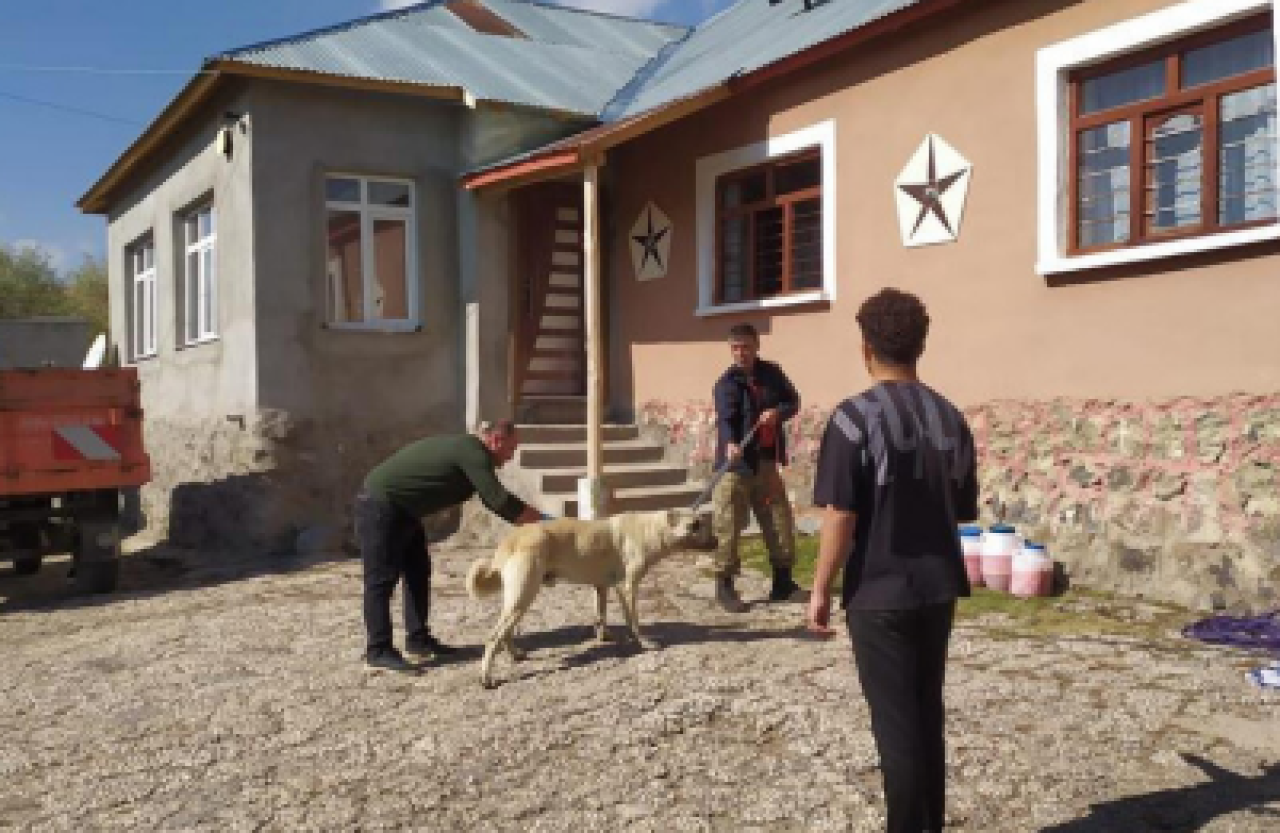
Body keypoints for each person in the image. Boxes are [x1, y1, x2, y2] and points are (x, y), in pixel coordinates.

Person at [806, 289, 979, 833]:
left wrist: (819, 589)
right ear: (920, 345)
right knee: (927, 715)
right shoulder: (951, 419)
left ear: (866, 348)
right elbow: (961, 509)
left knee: (896, 727)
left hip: (879, 593)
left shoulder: (852, 421)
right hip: (937, 587)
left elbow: (839, 515)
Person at [355, 419, 547, 673]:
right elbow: (497, 499)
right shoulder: (473, 452)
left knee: (417, 572)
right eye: (510, 450)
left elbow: (492, 500)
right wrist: (545, 522)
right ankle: (378, 650)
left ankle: (418, 639)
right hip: (381, 505)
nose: (510, 458)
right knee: (380, 580)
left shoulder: (469, 451)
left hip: (405, 510)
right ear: (495, 441)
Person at [710, 322, 801, 612]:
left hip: (765, 461)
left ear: (756, 346)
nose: (741, 353)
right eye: (735, 348)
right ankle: (725, 585)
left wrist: (778, 413)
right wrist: (730, 443)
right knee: (728, 524)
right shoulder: (726, 384)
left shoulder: (772, 373)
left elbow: (793, 401)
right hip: (735, 466)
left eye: (746, 346)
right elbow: (726, 419)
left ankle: (783, 582)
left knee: (778, 519)